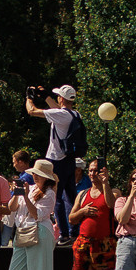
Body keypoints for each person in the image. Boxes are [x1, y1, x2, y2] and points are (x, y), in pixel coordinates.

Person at [6, 158, 61, 270]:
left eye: (39, 175)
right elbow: (11, 208)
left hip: (39, 233)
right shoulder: (31, 190)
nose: (36, 177)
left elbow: (37, 214)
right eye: (35, 174)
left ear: (47, 178)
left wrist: (25, 196)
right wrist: (17, 193)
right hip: (23, 233)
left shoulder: (49, 193)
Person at [26, 85, 85, 237]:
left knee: (56, 197)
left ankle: (64, 233)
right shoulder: (75, 114)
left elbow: (31, 111)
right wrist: (46, 97)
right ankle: (74, 231)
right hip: (69, 160)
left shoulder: (60, 115)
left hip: (56, 160)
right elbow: (58, 110)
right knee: (71, 196)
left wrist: (29, 98)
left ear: (61, 98)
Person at [70, 161, 114, 270]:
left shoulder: (112, 192)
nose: (93, 173)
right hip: (84, 242)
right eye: (91, 170)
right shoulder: (82, 194)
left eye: (97, 170)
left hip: (105, 243)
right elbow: (71, 218)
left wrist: (105, 183)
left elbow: (111, 205)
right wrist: (83, 211)